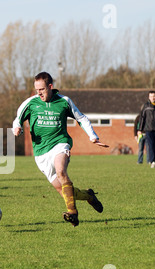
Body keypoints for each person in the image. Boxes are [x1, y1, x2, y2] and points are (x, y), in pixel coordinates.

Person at [12, 72, 109, 227]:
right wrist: (17, 128)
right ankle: (89, 196)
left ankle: (73, 213)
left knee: (61, 172)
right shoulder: (31, 103)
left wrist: (93, 136)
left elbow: (81, 118)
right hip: (40, 153)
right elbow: (17, 120)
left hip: (60, 143)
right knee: (64, 191)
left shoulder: (64, 101)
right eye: (37, 89)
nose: (39, 93)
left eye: (42, 89)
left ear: (50, 87)